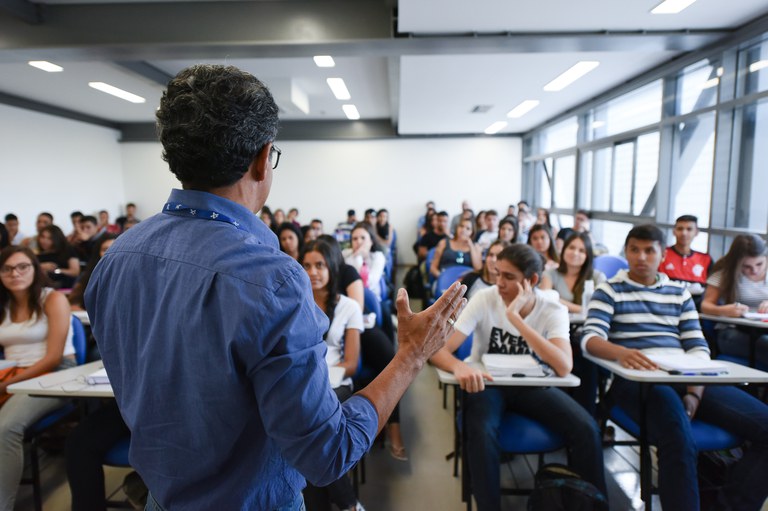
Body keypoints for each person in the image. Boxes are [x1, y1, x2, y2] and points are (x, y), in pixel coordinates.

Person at [84, 64, 466, 511]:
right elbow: (329, 454)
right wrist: (412, 354)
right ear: (263, 158)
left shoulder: (117, 259)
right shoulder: (272, 280)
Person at [582, 224, 768, 511]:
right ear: (626, 252)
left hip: (686, 373)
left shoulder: (678, 293)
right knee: (677, 434)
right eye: (634, 250)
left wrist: (694, 393)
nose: (641, 257)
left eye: (649, 250)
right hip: (637, 379)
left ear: (662, 254)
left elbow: (697, 348)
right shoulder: (609, 290)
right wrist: (621, 352)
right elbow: (590, 338)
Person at [430, 244, 606, 511]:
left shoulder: (551, 308)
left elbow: (563, 366)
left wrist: (517, 319)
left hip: (531, 387)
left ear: (531, 281)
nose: (499, 283)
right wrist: (458, 367)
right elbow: (438, 349)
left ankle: (591, 504)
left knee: (586, 428)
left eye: (509, 277)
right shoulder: (485, 298)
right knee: (481, 430)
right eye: (498, 274)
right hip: (488, 384)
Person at [0, 246, 75, 511]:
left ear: (35, 269)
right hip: (12, 374)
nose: (15, 274)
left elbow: (54, 357)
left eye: (23, 267)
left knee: (5, 428)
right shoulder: (3, 305)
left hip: (54, 374)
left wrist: (7, 384)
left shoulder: (51, 299)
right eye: (7, 268)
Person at [299, 240, 364, 511]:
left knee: (312, 426)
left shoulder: (349, 307)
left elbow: (351, 363)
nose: (313, 272)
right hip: (302, 384)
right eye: (307, 265)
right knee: (313, 431)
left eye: (320, 265)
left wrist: (324, 376)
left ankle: (346, 504)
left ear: (332, 268)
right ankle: (349, 504)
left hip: (337, 384)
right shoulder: (295, 301)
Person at [701, 234, 768, 369]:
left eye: (759, 264)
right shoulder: (725, 271)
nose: (754, 271)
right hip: (732, 332)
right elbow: (705, 306)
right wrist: (723, 310)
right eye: (746, 266)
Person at [540, 232, 605, 314]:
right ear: (564, 249)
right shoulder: (549, 274)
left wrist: (557, 300)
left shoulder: (598, 277)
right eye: (571, 247)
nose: (575, 253)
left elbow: (601, 308)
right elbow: (544, 300)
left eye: (581, 251)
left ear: (587, 256)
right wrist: (582, 309)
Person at [659, 215, 712, 309]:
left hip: (696, 310)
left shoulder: (705, 259)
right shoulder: (661, 254)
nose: (684, 233)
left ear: (696, 232)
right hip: (665, 306)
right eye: (680, 229)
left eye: (689, 229)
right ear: (674, 231)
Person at [343, 223, 386, 300]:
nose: (359, 241)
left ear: (371, 241)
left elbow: (369, 284)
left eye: (363, 238)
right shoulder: (346, 255)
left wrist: (358, 257)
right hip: (348, 297)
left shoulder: (378, 256)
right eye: (355, 239)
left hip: (372, 298)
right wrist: (355, 256)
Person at [36, 224, 81, 289]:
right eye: (42, 237)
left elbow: (75, 271)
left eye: (49, 238)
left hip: (64, 284)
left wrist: (56, 270)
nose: (44, 241)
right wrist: (42, 266)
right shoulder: (38, 256)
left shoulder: (68, 251)